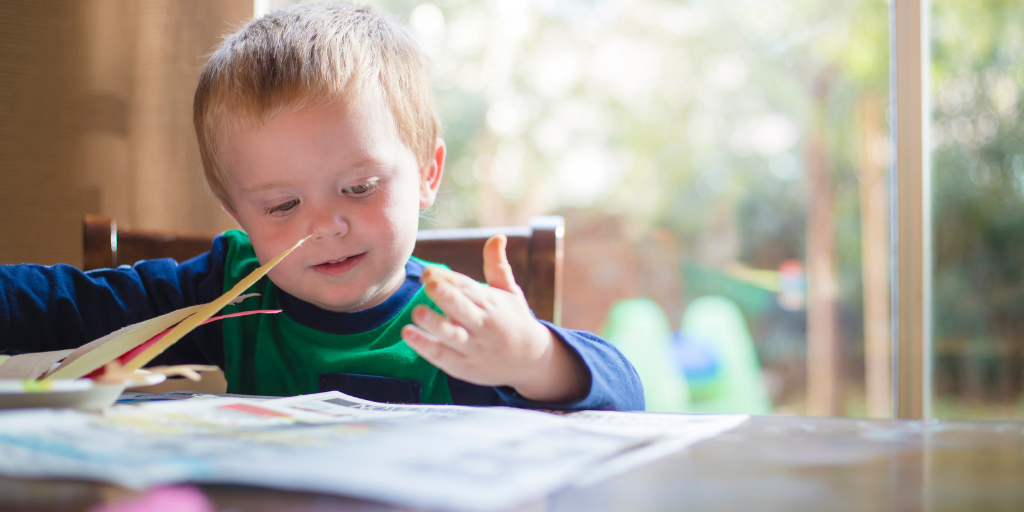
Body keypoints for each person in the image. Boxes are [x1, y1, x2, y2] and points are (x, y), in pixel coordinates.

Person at [0, 2, 643, 410]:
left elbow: (626, 394)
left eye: (360, 188)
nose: (325, 225)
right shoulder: (217, 299)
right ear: (236, 212)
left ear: (427, 173)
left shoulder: (459, 326)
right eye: (281, 205)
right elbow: (59, 306)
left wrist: (532, 358)